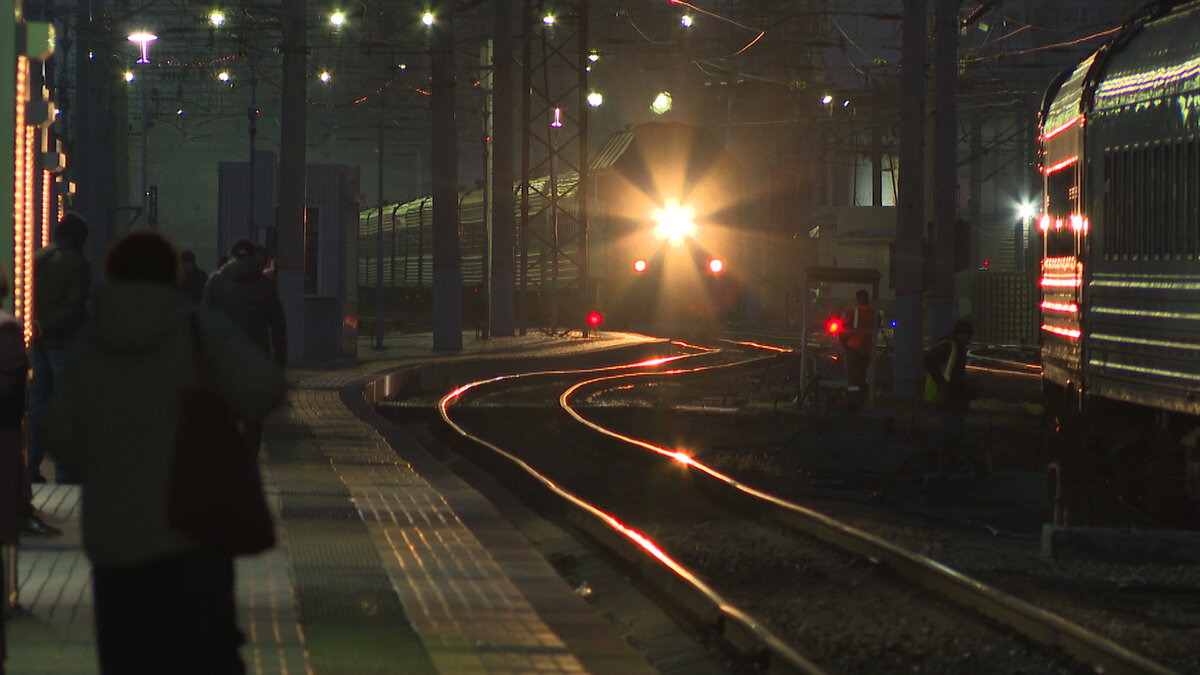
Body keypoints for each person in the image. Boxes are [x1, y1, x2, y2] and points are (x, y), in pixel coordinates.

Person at [40, 231, 284, 674]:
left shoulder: (89, 348)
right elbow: (263, 391)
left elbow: (62, 440)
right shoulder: (201, 332)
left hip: (115, 542)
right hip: (194, 530)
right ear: (171, 275)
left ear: (111, 276)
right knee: (203, 654)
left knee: (127, 657)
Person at [27, 213, 90, 485]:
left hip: (38, 342)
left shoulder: (37, 258)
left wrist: (37, 326)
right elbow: (74, 306)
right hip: (63, 341)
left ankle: (29, 467)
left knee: (37, 406)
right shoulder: (78, 263)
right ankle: (65, 473)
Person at [203, 239, 287, 369]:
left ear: (230, 256)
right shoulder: (266, 285)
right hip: (258, 356)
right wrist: (279, 364)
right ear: (255, 258)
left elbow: (204, 322)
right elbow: (278, 327)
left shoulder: (216, 283)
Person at [924, 319, 980, 474]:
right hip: (949, 396)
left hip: (952, 395)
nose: (969, 340)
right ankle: (941, 463)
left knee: (952, 431)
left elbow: (953, 373)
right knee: (951, 431)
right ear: (963, 334)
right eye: (968, 336)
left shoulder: (954, 347)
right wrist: (941, 382)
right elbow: (929, 362)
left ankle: (944, 462)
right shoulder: (950, 347)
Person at [840, 289, 877, 412]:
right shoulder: (873, 313)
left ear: (856, 298)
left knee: (853, 378)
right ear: (867, 298)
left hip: (853, 349)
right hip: (866, 350)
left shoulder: (851, 312)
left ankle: (852, 403)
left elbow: (842, 331)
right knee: (861, 376)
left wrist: (846, 346)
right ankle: (862, 400)